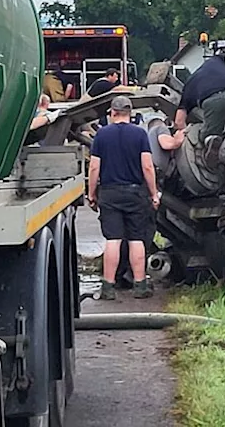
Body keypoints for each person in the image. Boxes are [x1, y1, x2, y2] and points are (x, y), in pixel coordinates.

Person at [88, 95, 160, 300]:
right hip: (135, 192)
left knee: (113, 240)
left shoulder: (102, 135)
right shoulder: (140, 134)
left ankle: (108, 288)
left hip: (110, 193)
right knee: (137, 239)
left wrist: (91, 193)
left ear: (112, 113)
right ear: (130, 113)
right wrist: (154, 193)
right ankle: (140, 286)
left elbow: (94, 167)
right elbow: (147, 166)